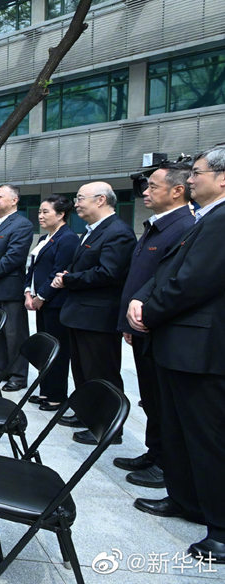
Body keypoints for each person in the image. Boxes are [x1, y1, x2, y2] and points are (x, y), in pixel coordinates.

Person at [127, 147, 225, 562]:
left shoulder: (220, 221)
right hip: (177, 345)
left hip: (201, 350)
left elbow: (192, 283)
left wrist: (149, 309)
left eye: (198, 173)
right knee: (180, 433)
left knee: (208, 440)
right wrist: (142, 298)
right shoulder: (203, 220)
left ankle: (219, 528)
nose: (192, 180)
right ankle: (185, 499)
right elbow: (165, 271)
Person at [114, 162, 194, 489]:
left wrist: (144, 317)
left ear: (177, 190)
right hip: (141, 324)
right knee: (149, 395)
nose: (145, 192)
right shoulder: (158, 225)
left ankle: (165, 462)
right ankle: (154, 451)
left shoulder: (184, 226)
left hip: (157, 326)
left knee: (161, 399)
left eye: (153, 187)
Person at [51, 182, 135, 445]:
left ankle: (109, 426)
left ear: (100, 200)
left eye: (80, 198)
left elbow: (109, 273)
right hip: (81, 314)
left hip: (98, 317)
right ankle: (87, 413)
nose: (76, 203)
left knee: (101, 372)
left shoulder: (118, 232)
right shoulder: (91, 231)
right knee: (83, 370)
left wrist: (70, 279)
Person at [23, 195, 78, 410]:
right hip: (40, 303)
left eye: (46, 211)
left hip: (55, 304)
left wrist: (41, 297)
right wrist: (28, 292)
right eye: (39, 212)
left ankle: (56, 395)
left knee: (58, 351)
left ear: (61, 214)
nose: (40, 216)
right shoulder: (44, 238)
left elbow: (58, 272)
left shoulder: (68, 239)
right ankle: (45, 390)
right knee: (45, 350)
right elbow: (32, 269)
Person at [0, 184, 34, 391]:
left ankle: (18, 375)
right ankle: (0, 367)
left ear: (14, 200)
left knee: (14, 334)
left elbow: (14, 257)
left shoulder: (22, 225)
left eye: (0, 196)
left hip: (8, 288)